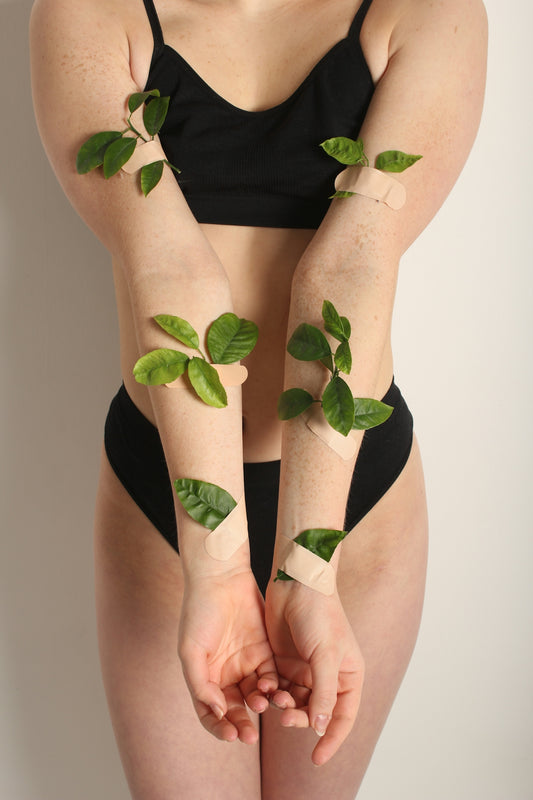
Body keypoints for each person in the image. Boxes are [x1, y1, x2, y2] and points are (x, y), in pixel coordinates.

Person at [30, 0, 487, 796]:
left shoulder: (429, 11)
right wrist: (217, 569)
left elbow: (349, 271)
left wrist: (307, 570)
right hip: (163, 490)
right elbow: (171, 272)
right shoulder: (86, 10)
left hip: (354, 499)